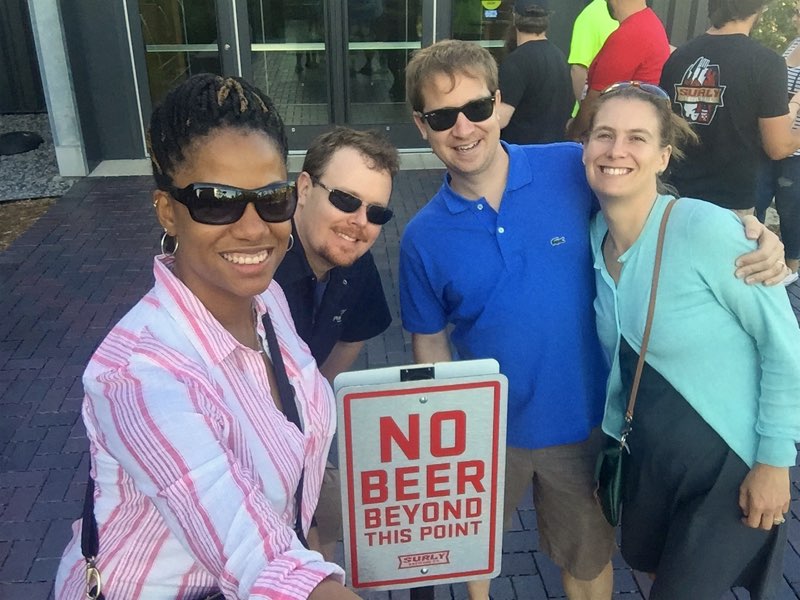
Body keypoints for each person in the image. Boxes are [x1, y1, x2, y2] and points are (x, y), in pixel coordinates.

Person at [399, 39, 787, 600]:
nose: (463, 128)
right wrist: (443, 441)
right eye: (442, 116)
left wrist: (751, 233)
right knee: (468, 553)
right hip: (485, 433)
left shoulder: (567, 165)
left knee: (586, 563)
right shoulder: (421, 238)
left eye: (477, 108)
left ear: (499, 103)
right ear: (421, 124)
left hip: (584, 424)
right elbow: (429, 345)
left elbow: (644, 198)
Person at [55, 74, 359, 600]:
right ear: (168, 210)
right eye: (216, 201)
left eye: (271, 198)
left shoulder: (269, 305)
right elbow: (248, 547)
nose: (252, 227)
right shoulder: (137, 375)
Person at [585, 81, 800, 599]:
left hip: (727, 462)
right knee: (659, 574)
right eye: (604, 135)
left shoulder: (702, 229)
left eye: (637, 138)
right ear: (585, 147)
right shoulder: (594, 233)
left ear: (663, 157)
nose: (616, 150)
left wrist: (775, 461)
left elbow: (783, 345)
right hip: (649, 456)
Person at [275, 126, 399, 560]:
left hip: (302, 449)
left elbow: (337, 362)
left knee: (325, 535)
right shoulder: (256, 263)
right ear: (304, 188)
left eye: (377, 213)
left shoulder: (355, 267)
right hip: (239, 462)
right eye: (345, 201)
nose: (360, 223)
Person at [659, 0, 800, 217]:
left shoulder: (678, 58)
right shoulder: (767, 63)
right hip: (730, 204)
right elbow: (778, 147)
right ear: (758, 9)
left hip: (675, 197)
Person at [567, 0, 670, 140]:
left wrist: (574, 133)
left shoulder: (632, 33)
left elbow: (597, 102)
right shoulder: (648, 24)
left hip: (616, 135)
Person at [757, 2, 800, 285]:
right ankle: (761, 266)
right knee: (757, 202)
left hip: (795, 151)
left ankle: (793, 275)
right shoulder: (794, 44)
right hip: (772, 142)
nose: (796, 18)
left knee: (791, 213)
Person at [496, 0, 573, 144]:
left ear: (514, 17)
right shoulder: (560, 57)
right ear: (547, 19)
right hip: (553, 151)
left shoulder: (516, 61)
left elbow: (500, 119)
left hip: (523, 154)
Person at [567, 0, 618, 107]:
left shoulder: (590, 15)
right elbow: (578, 69)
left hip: (601, 108)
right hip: (606, 108)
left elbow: (578, 68)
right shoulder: (592, 15)